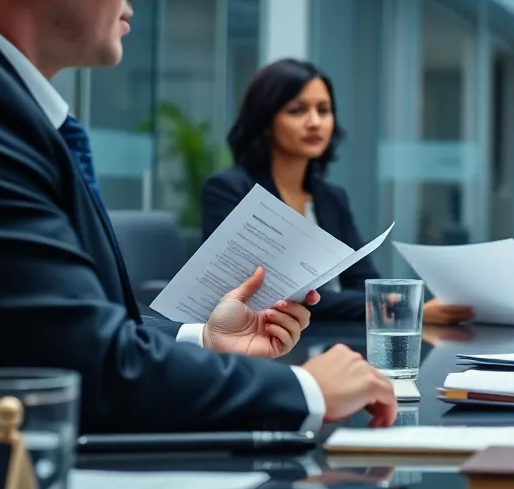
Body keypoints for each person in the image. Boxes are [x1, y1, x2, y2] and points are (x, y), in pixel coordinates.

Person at [0, 0, 396, 434]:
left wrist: (203, 340)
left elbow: (64, 339)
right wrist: (305, 389)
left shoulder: (4, 106)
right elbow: (93, 372)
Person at [202, 58, 475, 325]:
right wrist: (397, 305)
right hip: (255, 344)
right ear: (265, 121)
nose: (314, 122)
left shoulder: (331, 198)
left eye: (324, 110)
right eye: (297, 110)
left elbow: (362, 283)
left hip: (328, 339)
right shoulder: (231, 190)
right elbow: (268, 297)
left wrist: (380, 302)